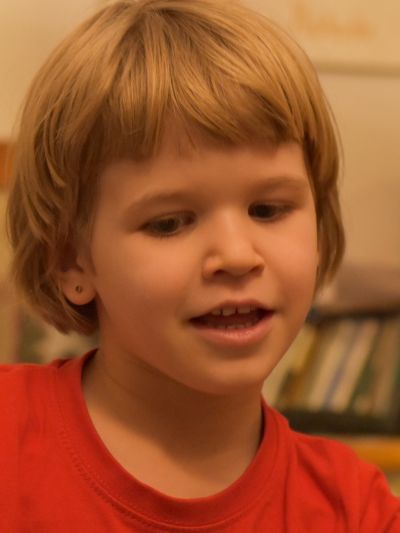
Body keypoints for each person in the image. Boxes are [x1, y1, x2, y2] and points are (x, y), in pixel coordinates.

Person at [2, 0, 399, 530]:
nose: (236, 255)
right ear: (70, 260)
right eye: (170, 223)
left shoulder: (355, 509)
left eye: (268, 210)